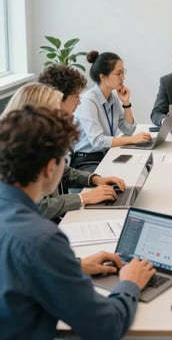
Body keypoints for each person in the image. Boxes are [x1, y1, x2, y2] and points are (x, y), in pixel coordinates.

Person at [0, 105, 155, 339]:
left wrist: (75, 265)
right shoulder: (42, 239)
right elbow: (106, 326)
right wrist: (130, 284)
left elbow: (14, 273)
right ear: (50, 168)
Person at [3, 81, 124, 221]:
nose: (60, 116)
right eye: (56, 110)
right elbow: (37, 206)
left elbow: (63, 172)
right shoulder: (16, 150)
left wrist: (94, 179)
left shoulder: (40, 138)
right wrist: (83, 198)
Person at [72, 51, 151, 172]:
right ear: (102, 77)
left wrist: (126, 103)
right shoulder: (88, 100)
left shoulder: (112, 97)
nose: (123, 77)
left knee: (142, 166)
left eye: (123, 72)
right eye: (118, 73)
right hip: (87, 160)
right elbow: (97, 141)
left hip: (106, 154)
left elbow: (129, 130)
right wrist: (132, 140)